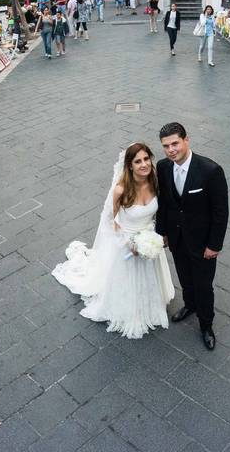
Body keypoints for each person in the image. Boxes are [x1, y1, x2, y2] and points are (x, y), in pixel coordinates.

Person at [52, 143, 175, 339]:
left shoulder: (156, 182)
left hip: (148, 239)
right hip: (127, 244)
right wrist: (128, 243)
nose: (144, 164)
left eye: (146, 159)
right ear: (129, 166)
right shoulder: (121, 190)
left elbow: (160, 214)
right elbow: (109, 222)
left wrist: (154, 237)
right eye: (137, 161)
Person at [155, 123, 229, 351]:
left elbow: (221, 212)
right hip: (177, 239)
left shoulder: (210, 170)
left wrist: (214, 245)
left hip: (203, 243)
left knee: (204, 286)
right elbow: (164, 203)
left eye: (175, 143)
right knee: (185, 278)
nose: (171, 150)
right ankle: (189, 305)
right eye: (166, 146)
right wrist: (163, 232)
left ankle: (206, 325)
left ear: (187, 140)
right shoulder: (163, 167)